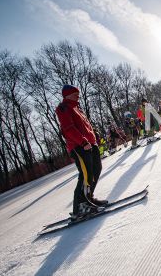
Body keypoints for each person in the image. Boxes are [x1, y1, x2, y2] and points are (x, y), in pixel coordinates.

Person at [55, 85, 107, 220]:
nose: (78, 95)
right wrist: (82, 141)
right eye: (75, 93)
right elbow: (68, 129)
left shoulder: (77, 108)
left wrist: (94, 138)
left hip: (90, 144)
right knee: (86, 174)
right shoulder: (64, 108)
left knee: (96, 170)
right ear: (67, 95)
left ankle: (88, 199)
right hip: (79, 146)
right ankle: (80, 207)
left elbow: (86, 126)